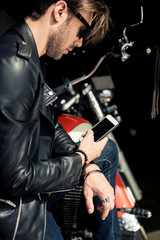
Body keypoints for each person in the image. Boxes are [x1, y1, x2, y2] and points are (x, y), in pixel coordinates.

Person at [0, 0, 121, 239]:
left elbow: (50, 123)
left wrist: (88, 167)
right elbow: (14, 178)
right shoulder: (15, 65)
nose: (79, 42)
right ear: (60, 11)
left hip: (27, 188)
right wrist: (81, 159)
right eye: (82, 31)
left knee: (106, 151)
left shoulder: (30, 56)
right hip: (15, 210)